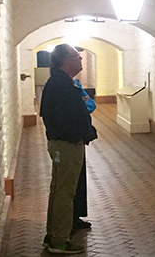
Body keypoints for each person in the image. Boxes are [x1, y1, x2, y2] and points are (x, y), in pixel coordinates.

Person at [39, 44, 93, 254]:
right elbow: (65, 119)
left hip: (63, 143)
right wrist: (79, 136)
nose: (80, 59)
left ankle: (53, 234)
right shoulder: (61, 85)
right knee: (65, 193)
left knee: (58, 189)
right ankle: (60, 240)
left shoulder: (60, 82)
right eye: (76, 56)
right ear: (65, 61)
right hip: (66, 145)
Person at [72, 78, 97, 231]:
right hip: (69, 141)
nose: (81, 66)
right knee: (69, 184)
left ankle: (76, 216)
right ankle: (68, 222)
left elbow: (90, 104)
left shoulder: (74, 84)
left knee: (77, 180)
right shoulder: (62, 86)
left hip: (77, 140)